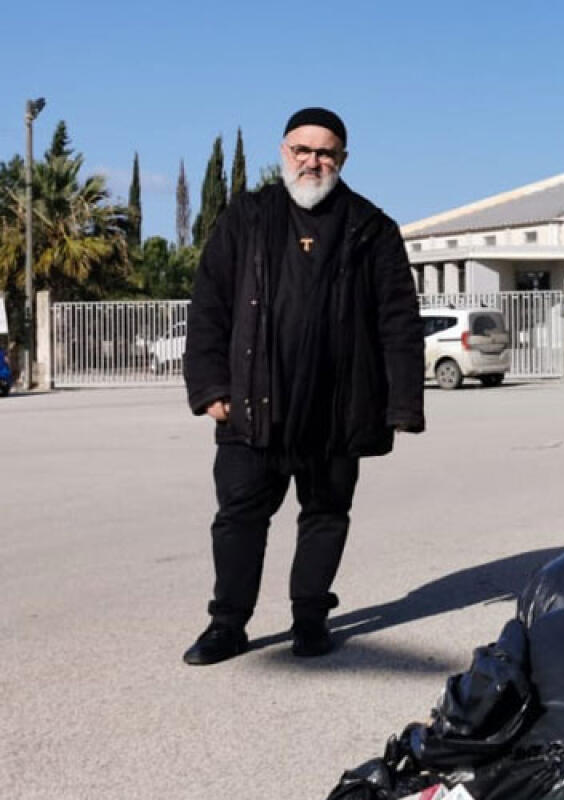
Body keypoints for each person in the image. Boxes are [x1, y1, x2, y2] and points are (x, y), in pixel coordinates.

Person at [181, 107, 425, 665]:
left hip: (337, 410)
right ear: (283, 152)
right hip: (250, 406)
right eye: (302, 150)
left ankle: (310, 619)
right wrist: (210, 385)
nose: (313, 161)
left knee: (325, 517)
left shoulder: (370, 227)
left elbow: (398, 319)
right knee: (239, 518)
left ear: (342, 158)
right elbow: (210, 304)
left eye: (325, 152)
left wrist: (402, 403)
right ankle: (227, 624)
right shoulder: (248, 217)